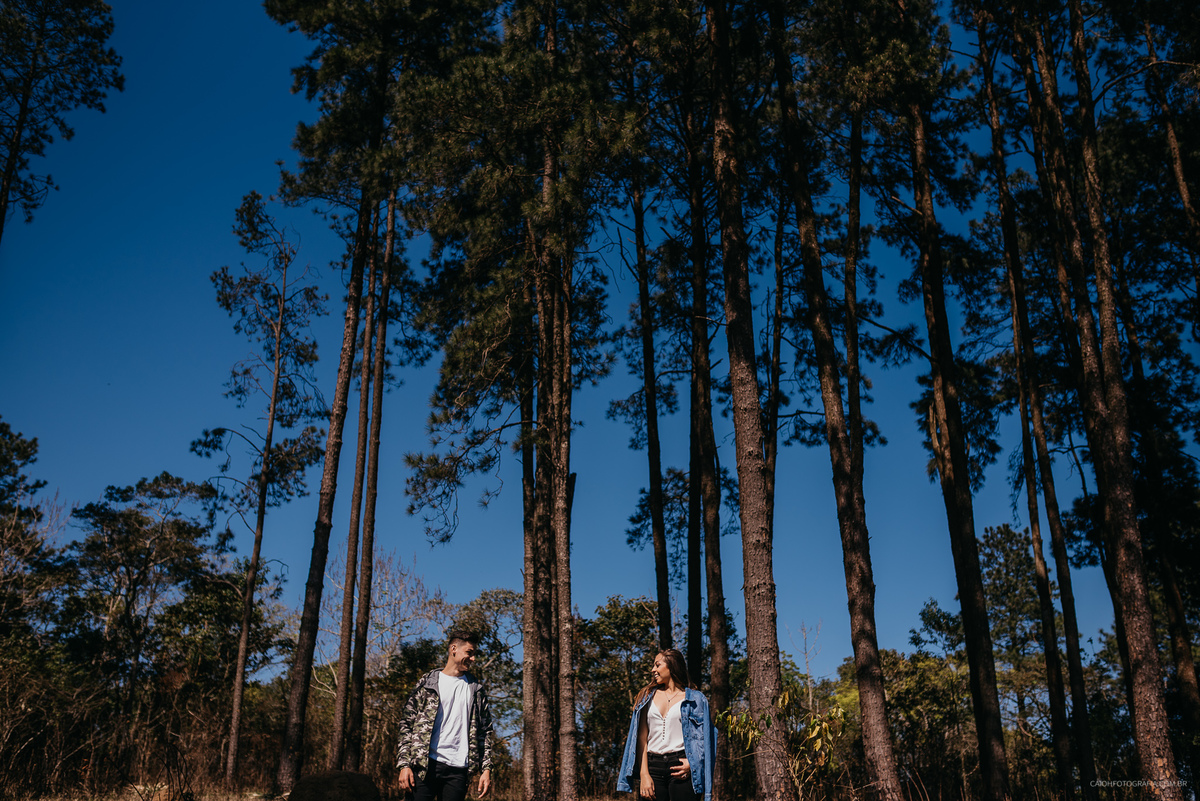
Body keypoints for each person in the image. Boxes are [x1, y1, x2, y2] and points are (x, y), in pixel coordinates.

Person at [396, 630, 494, 801]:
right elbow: (407, 723)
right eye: (469, 653)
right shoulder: (428, 683)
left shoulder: (476, 690)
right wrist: (404, 764)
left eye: (474, 654)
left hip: (459, 770)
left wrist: (486, 769)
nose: (473, 659)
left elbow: (485, 731)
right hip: (425, 765)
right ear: (453, 649)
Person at [617, 648, 716, 801]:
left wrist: (693, 763)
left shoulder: (696, 699)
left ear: (672, 666)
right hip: (652, 766)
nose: (653, 670)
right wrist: (644, 775)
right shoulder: (646, 697)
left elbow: (707, 738)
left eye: (657, 665)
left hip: (681, 766)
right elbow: (641, 738)